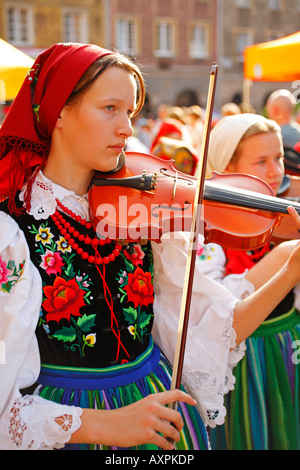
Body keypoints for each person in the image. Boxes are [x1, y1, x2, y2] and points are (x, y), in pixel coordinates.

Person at [1, 44, 300, 451]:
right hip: (75, 432)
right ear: (59, 112)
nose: (126, 128)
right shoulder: (12, 232)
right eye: (110, 108)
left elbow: (214, 331)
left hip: (160, 423)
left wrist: (291, 270)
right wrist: (106, 426)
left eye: (130, 112)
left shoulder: (144, 214)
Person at [203, 112, 300, 450]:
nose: (276, 171)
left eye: (278, 159)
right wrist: (284, 256)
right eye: (261, 161)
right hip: (245, 363)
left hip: (288, 348)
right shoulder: (208, 232)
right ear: (226, 168)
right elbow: (218, 315)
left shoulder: (283, 216)